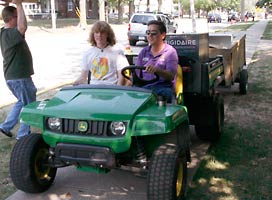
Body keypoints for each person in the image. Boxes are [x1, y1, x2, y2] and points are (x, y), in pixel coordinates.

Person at [0, 0, 37, 140]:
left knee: (22, 102)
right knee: (29, 105)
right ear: (11, 18)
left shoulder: (5, 33)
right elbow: (23, 27)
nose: (21, 17)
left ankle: (6, 126)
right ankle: (23, 135)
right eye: (17, 15)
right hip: (19, 77)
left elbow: (18, 25)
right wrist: (19, 4)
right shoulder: (10, 34)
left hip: (14, 77)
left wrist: (8, 6)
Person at [74, 21, 129, 86]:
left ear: (108, 35)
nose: (99, 35)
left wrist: (118, 89)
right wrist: (76, 84)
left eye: (102, 33)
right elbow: (83, 76)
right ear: (93, 35)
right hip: (93, 88)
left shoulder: (117, 52)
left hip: (112, 88)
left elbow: (122, 75)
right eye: (96, 32)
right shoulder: (88, 54)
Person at [135, 20, 178, 102]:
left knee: (166, 93)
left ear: (163, 35)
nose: (150, 35)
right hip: (144, 86)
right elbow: (137, 73)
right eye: (148, 32)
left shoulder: (170, 52)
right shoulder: (144, 51)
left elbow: (171, 76)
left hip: (162, 87)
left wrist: (157, 70)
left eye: (154, 33)